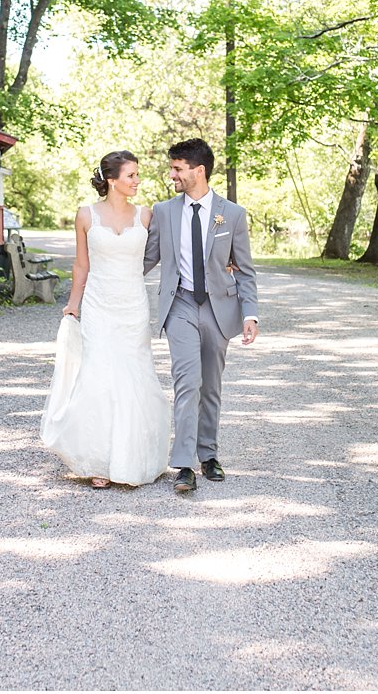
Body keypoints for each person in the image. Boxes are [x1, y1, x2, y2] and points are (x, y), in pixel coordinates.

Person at [40, 150, 170, 488]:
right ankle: (98, 461)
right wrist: (73, 304)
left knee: (134, 376)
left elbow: (169, 251)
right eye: (131, 176)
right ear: (111, 180)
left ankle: (134, 459)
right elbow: (81, 265)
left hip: (132, 306)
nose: (137, 181)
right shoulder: (86, 215)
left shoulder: (147, 215)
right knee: (98, 375)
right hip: (99, 305)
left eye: (138, 175)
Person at [143, 138, 260, 495]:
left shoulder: (233, 214)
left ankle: (208, 455)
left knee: (211, 385)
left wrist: (250, 314)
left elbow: (245, 270)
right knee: (187, 382)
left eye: (177, 168)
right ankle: (183, 465)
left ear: (199, 171)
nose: (172, 174)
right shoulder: (163, 211)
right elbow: (147, 259)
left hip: (218, 307)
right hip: (178, 305)